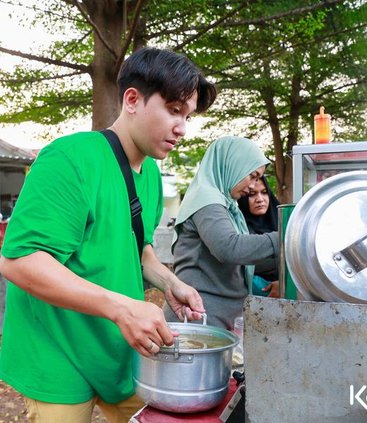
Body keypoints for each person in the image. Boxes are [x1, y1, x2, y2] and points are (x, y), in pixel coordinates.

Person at [0, 47, 216, 423]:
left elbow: (139, 247)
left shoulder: (149, 174)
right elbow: (20, 262)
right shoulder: (69, 160)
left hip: (118, 348)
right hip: (58, 354)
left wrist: (169, 282)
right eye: (173, 110)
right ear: (132, 100)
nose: (182, 128)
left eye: (187, 116)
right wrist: (121, 307)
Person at [163, 136, 279, 330]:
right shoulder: (206, 198)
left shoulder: (227, 205)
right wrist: (284, 237)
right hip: (197, 322)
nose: (253, 185)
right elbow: (229, 248)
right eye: (252, 176)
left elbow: (244, 262)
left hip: (214, 322)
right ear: (234, 164)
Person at [238, 175, 280, 297]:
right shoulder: (237, 229)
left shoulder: (281, 221)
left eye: (264, 192)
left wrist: (284, 284)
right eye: (252, 194)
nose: (260, 199)